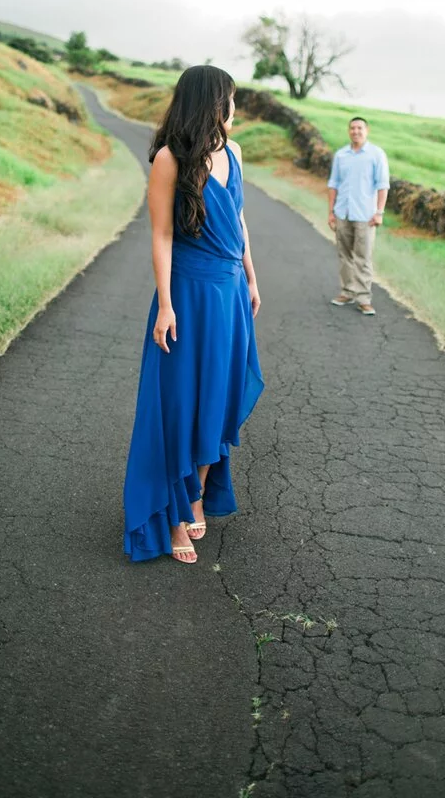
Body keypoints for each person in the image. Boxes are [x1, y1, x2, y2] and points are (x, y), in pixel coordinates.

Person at [123, 65, 264, 564]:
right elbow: (161, 235)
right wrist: (165, 304)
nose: (235, 110)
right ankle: (175, 517)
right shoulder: (169, 159)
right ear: (211, 103)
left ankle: (198, 493)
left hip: (228, 294)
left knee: (219, 399)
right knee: (182, 403)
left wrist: (250, 276)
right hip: (187, 292)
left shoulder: (235, 153)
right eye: (230, 100)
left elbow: (240, 218)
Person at [327, 116, 390, 316]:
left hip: (365, 215)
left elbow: (382, 186)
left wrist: (379, 212)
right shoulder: (341, 155)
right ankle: (347, 292)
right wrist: (331, 212)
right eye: (352, 128)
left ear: (366, 131)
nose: (356, 131)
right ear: (349, 131)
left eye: (359, 128)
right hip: (342, 212)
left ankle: (364, 298)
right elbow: (333, 184)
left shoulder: (376, 154)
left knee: (363, 257)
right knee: (344, 255)